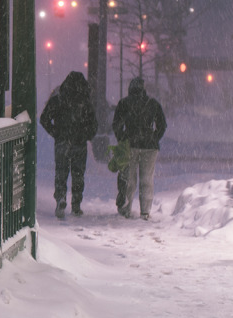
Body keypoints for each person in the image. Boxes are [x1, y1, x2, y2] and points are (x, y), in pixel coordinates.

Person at [39, 70, 98, 219]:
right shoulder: (85, 102)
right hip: (79, 144)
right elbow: (94, 124)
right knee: (78, 175)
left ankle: (60, 198)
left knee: (61, 173)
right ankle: (76, 205)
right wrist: (86, 136)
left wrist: (56, 133)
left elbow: (44, 118)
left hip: (62, 142)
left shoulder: (58, 100)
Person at [112, 77, 166, 220]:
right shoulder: (153, 103)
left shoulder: (124, 103)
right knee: (147, 179)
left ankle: (126, 209)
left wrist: (122, 138)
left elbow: (116, 124)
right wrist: (154, 137)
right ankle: (145, 212)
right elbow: (162, 124)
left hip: (130, 145)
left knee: (129, 179)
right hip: (150, 147)